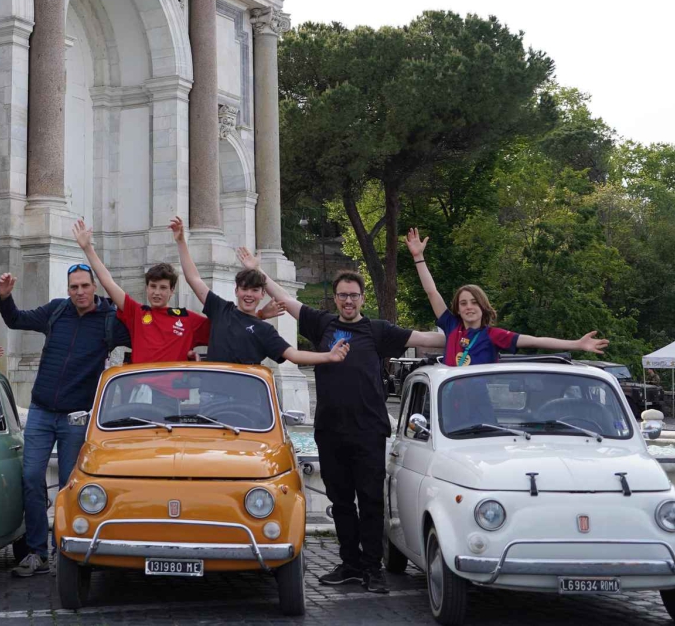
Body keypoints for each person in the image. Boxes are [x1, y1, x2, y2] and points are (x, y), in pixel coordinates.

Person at [259, 265, 446, 595]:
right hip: (330, 432)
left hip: (369, 432)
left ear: (362, 298)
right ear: (336, 297)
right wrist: (256, 272)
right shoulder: (322, 324)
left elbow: (431, 339)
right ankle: (349, 564)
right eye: (343, 295)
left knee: (371, 501)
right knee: (341, 501)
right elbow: (285, 300)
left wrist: (469, 333)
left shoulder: (378, 331)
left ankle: (373, 569)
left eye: (354, 295)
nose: (348, 301)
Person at [0, 267, 121, 577]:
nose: (79, 291)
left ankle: (64, 550)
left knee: (69, 485)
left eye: (84, 286)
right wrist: (4, 296)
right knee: (30, 477)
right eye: (73, 286)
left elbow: (147, 338)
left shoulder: (110, 320)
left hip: (77, 416)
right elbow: (16, 320)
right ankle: (37, 551)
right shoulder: (56, 310)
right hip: (40, 410)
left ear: (95, 287)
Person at [405, 228, 610, 365]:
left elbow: (535, 341)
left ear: (483, 306)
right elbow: (431, 292)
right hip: (450, 405)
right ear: (457, 308)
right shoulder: (452, 326)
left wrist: (577, 344)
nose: (469, 307)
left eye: (474, 302)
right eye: (463, 303)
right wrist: (418, 257)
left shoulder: (493, 335)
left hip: (479, 404)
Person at [170, 217, 347, 369]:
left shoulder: (265, 330)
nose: (249, 294)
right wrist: (181, 242)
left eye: (255, 290)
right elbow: (194, 279)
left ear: (263, 294)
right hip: (212, 399)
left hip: (246, 400)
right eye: (245, 289)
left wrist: (328, 356)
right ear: (236, 291)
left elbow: (293, 354)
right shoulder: (221, 309)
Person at [73, 218, 210, 363]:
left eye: (163, 288)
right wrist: (88, 249)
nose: (156, 292)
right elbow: (108, 282)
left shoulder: (187, 319)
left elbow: (225, 327)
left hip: (173, 386)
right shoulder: (137, 313)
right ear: (147, 288)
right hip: (140, 385)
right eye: (153, 286)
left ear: (172, 291)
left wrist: (181, 242)